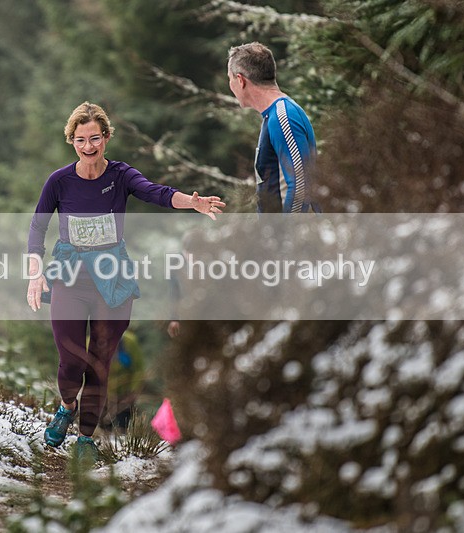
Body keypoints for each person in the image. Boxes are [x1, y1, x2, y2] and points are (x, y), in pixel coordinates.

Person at [26, 101, 225, 465]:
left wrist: (191, 203)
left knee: (101, 360)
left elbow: (156, 192)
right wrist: (35, 272)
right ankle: (66, 406)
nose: (89, 146)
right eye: (81, 139)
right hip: (70, 276)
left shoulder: (120, 176)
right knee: (71, 359)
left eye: (96, 138)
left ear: (106, 138)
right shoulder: (59, 181)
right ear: (72, 140)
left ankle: (86, 438)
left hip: (112, 279)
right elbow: (37, 228)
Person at [227, 42, 319, 214]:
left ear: (240, 80)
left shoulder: (283, 115)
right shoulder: (274, 116)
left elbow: (299, 184)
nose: (230, 85)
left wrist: (286, 238)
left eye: (230, 78)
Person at [100, 329, 145, 431]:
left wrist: (133, 391)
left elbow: (138, 369)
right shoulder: (93, 341)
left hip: (125, 396)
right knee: (102, 429)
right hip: (103, 396)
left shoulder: (130, 342)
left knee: (122, 428)